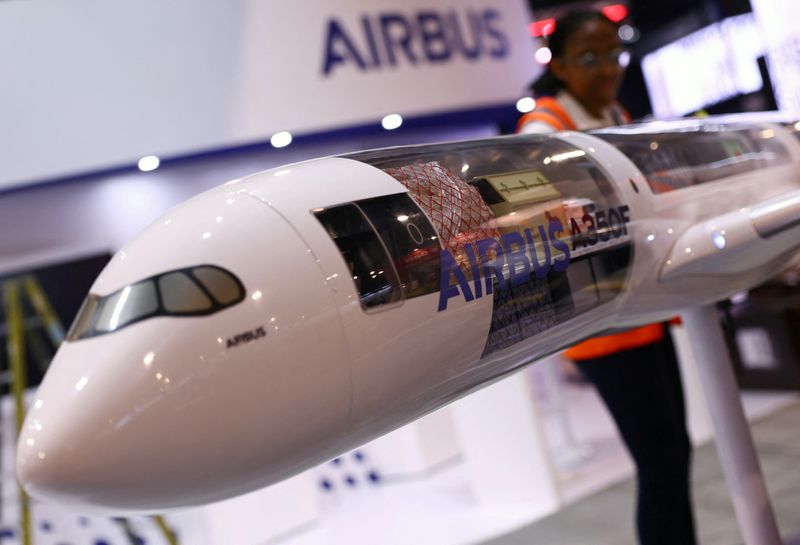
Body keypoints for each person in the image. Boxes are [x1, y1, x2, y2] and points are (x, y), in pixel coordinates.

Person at [517, 10, 697, 545]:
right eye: (589, 58)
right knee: (661, 460)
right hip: (604, 318)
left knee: (674, 454)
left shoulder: (612, 111)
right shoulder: (545, 127)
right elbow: (554, 219)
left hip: (645, 300)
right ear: (562, 64)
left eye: (613, 53)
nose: (606, 69)